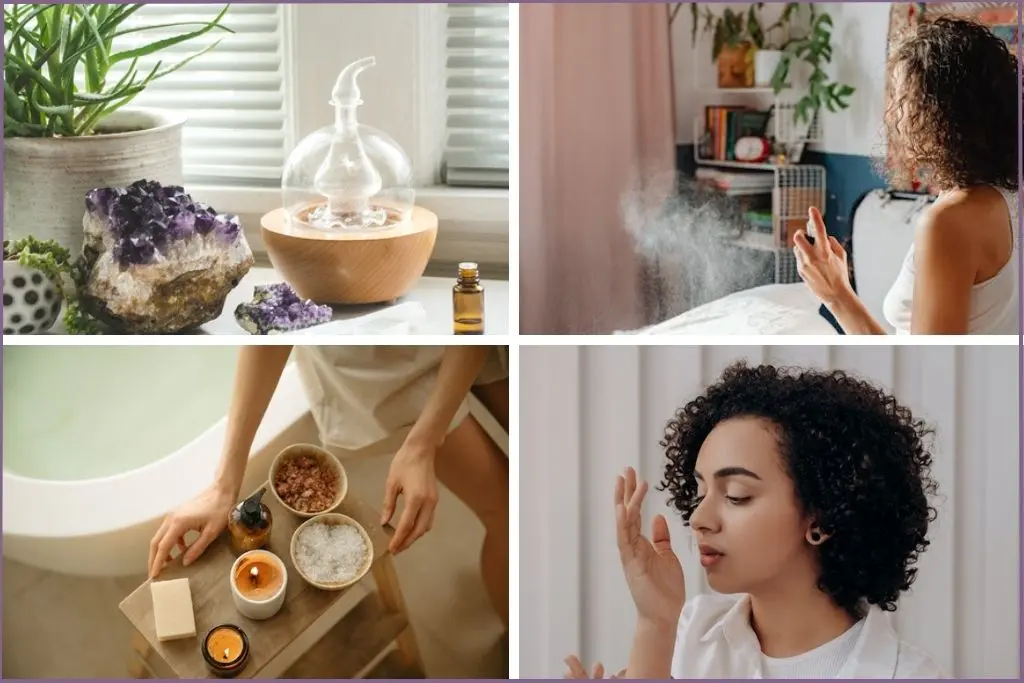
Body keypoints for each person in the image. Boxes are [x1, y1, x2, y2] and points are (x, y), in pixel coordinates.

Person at [564, 362, 944, 678]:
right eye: (699, 494)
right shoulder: (689, 633)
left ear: (823, 518)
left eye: (735, 496)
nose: (698, 518)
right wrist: (655, 622)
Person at [148, 345, 509, 627]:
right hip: (378, 366)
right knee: (511, 515)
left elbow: (471, 306)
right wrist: (225, 484)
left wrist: (423, 445)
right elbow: (278, 322)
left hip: (465, 330)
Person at [795, 16, 1018, 335]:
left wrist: (837, 296)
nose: (893, 114)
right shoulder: (1005, 197)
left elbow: (925, 374)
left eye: (904, 100)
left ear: (942, 111)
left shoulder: (951, 221)